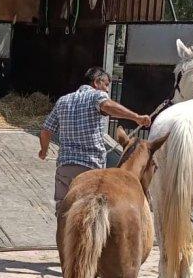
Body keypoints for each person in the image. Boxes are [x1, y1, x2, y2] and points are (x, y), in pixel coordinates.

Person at [39, 67, 151, 204]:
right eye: (106, 85)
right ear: (97, 82)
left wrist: (43, 151)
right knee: (91, 215)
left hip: (65, 168)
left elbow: (46, 130)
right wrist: (136, 117)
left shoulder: (62, 101)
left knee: (62, 213)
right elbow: (108, 106)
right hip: (90, 168)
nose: (107, 90)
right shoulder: (96, 95)